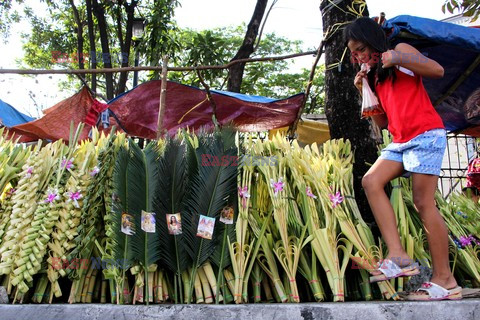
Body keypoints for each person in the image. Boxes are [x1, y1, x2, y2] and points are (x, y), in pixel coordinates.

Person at [344, 17, 461, 300]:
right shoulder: (373, 75)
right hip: (400, 141)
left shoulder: (401, 50)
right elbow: (383, 122)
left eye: (361, 49)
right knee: (371, 181)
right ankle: (399, 255)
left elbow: (436, 70)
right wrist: (364, 90)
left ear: (374, 41)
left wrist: (396, 57)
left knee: (423, 203)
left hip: (425, 135)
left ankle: (446, 280)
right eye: (353, 52)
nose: (357, 56)